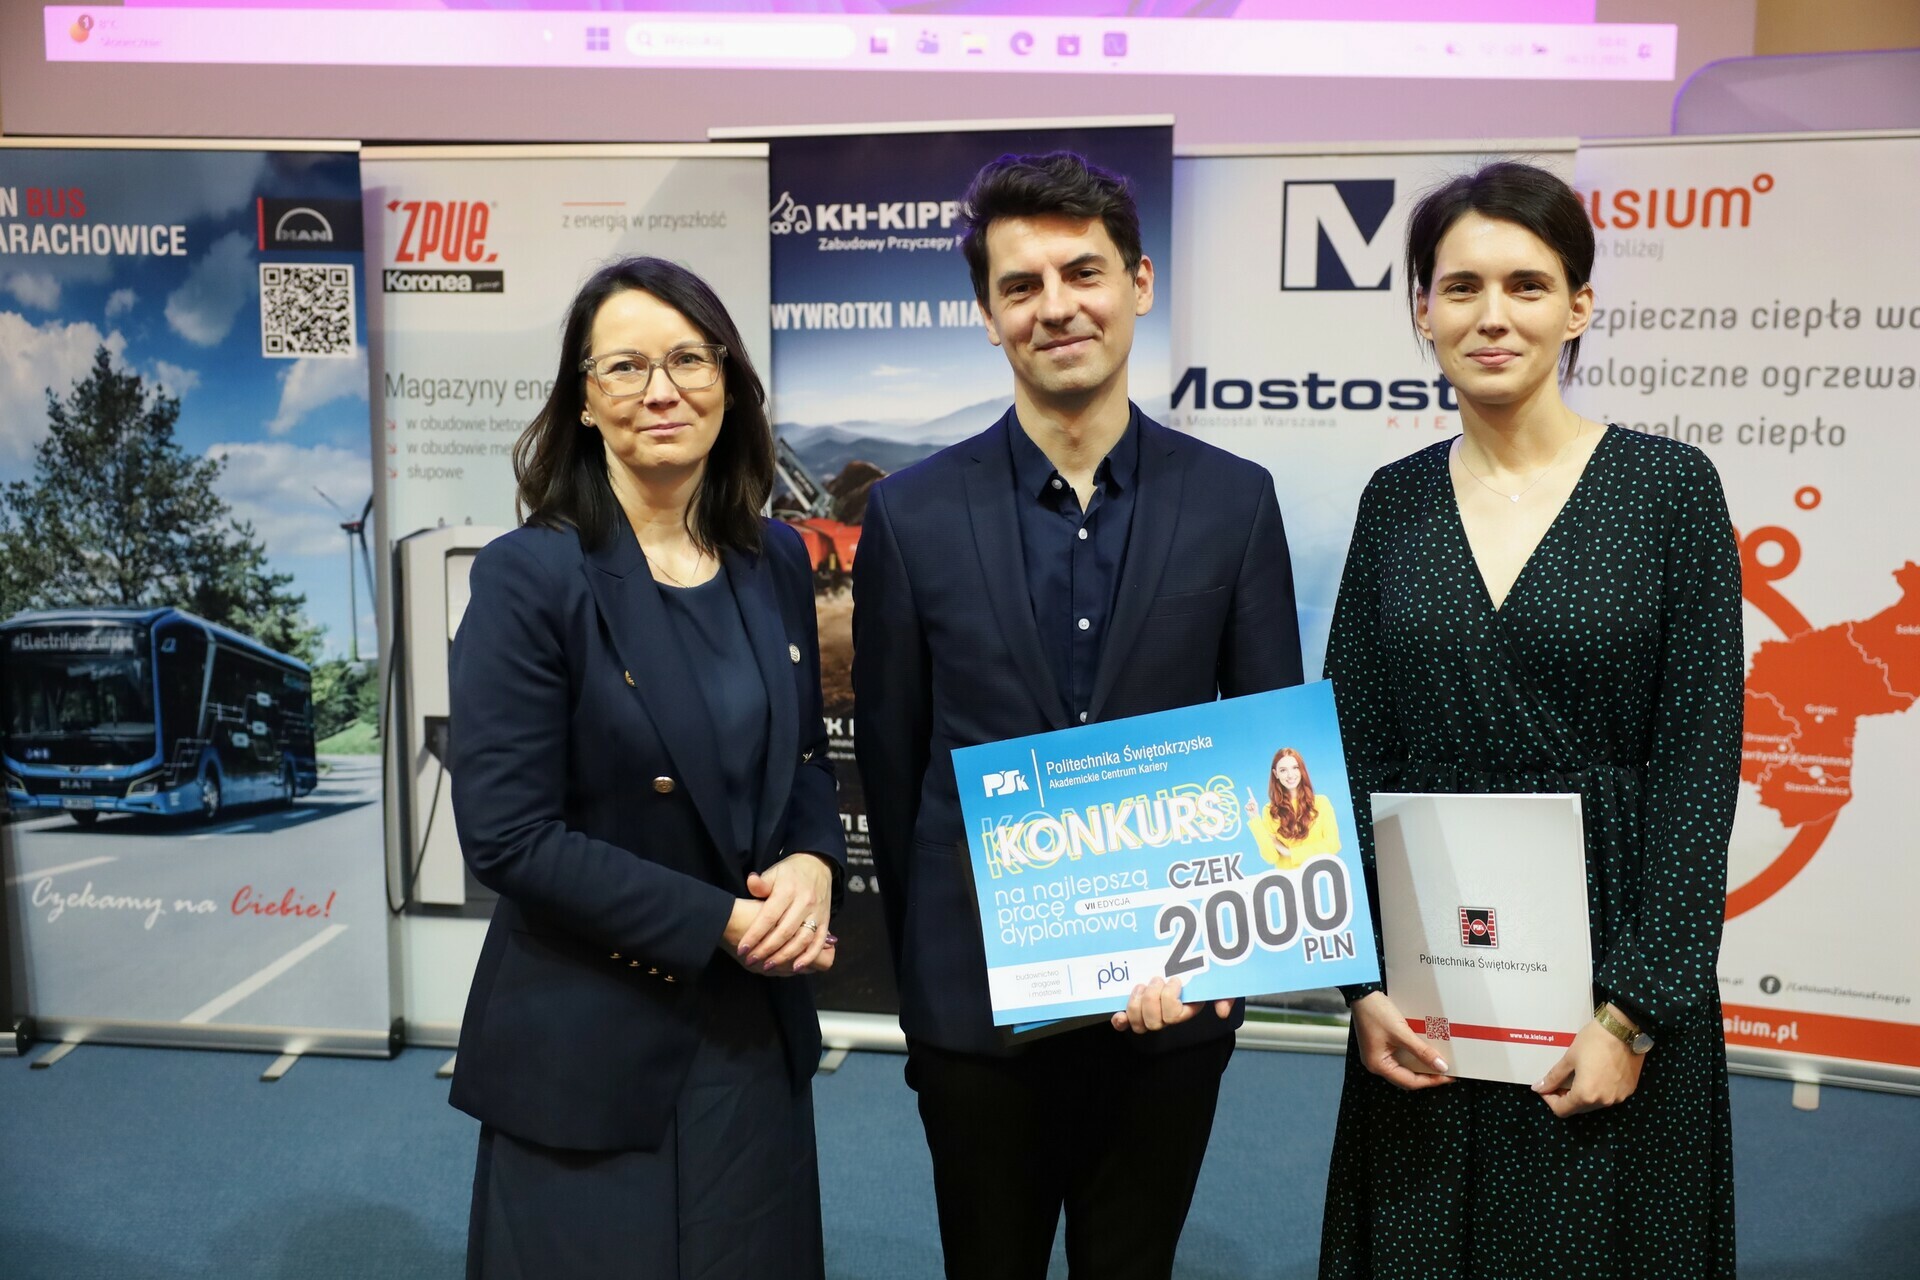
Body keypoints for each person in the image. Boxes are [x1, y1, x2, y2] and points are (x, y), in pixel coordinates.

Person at [853, 151, 1304, 1280]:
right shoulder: (909, 515)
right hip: (977, 1015)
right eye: (1021, 285)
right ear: (988, 315)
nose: (1055, 306)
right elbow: (895, 767)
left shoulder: (1235, 500)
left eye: (1083, 272)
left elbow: (1273, 756)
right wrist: (929, 985)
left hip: (1173, 998)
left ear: (1139, 283)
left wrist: (1227, 964)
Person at [1318, 160, 1742, 1278]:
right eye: (1460, 287)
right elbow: (1346, 746)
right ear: (1423, 311)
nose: (1492, 315)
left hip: (1610, 977)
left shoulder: (1670, 490)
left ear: (1578, 306)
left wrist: (1635, 1012)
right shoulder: (1394, 500)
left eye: (1527, 284)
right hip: (1428, 982)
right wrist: (1360, 983)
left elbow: (1699, 765)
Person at [445, 257, 846, 1279]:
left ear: (729, 382)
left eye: (687, 359)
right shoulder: (530, 575)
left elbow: (804, 753)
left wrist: (813, 859)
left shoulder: (776, 558)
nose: (660, 389)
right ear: (584, 399)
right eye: (625, 366)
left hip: (748, 1037)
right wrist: (722, 921)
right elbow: (509, 837)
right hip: (591, 1037)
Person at [1245, 746, 1339, 870]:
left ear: (1301, 770)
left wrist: (1289, 852)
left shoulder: (1321, 802)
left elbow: (1332, 845)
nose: (1290, 775)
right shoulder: (1269, 810)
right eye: (1283, 770)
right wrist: (1255, 819)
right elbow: (1271, 857)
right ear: (1276, 774)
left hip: (1320, 873)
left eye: (1295, 768)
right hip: (1289, 879)